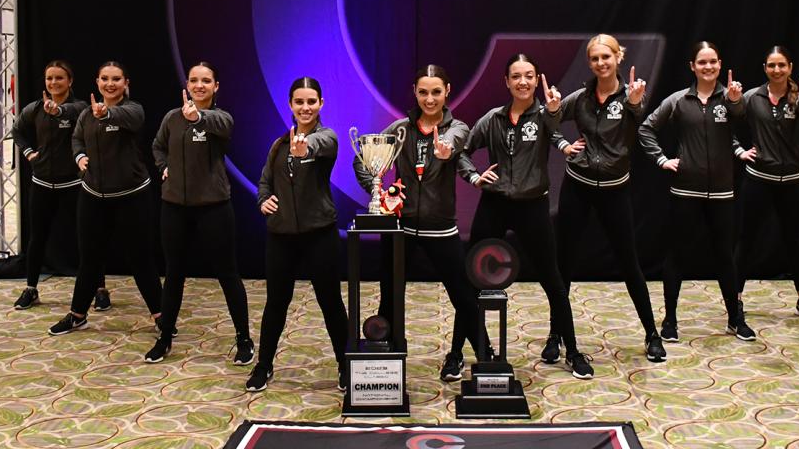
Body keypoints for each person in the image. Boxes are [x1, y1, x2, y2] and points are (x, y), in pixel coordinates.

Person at [459, 54, 595, 380]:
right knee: (469, 280)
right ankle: (458, 353)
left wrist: (558, 127)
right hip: (494, 205)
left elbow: (555, 129)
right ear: (506, 82)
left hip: (533, 206)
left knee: (553, 280)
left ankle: (572, 350)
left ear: (537, 80)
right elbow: (462, 151)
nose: (523, 82)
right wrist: (474, 177)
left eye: (529, 76)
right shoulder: (493, 119)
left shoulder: (544, 115)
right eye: (516, 76)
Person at [352, 65, 490, 382]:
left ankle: (487, 360)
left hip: (440, 228)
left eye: (436, 92)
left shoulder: (458, 128)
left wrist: (445, 151)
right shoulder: (399, 129)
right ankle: (386, 363)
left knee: (463, 297)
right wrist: (378, 191)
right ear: (415, 92)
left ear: (447, 92)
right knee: (390, 296)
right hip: (400, 229)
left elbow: (454, 141)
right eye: (424, 92)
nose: (430, 99)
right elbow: (362, 157)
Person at [550, 35, 663, 362]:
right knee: (564, 264)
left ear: (618, 57)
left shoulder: (631, 96)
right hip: (578, 185)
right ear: (590, 62)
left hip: (615, 190)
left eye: (606, 57)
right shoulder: (582, 97)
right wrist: (562, 141)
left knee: (629, 263)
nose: (601, 63)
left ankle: (652, 334)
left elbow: (637, 114)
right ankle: (555, 334)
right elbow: (548, 121)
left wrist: (635, 101)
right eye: (595, 58)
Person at [638, 41, 753, 343]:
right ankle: (670, 320)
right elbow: (645, 129)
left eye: (713, 61)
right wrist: (662, 159)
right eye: (702, 62)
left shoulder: (729, 98)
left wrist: (736, 101)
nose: (708, 67)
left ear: (720, 63)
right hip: (685, 191)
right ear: (692, 66)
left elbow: (741, 119)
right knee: (677, 255)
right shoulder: (677, 101)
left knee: (724, 257)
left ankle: (734, 319)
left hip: (722, 193)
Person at [245, 77, 350, 393]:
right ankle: (264, 366)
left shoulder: (327, 138)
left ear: (321, 104)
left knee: (330, 301)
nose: (305, 107)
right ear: (290, 105)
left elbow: (321, 147)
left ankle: (345, 366)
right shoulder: (278, 145)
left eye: (311, 102)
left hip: (320, 235)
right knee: (276, 302)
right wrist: (264, 200)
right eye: (299, 102)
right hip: (280, 237)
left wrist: (306, 147)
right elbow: (264, 183)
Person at [147, 62, 255, 364]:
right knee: (174, 274)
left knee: (227, 274)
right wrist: (164, 167)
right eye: (194, 80)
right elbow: (157, 147)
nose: (199, 85)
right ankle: (165, 337)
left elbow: (224, 127)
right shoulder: (171, 118)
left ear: (216, 86)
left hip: (213, 208)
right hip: (174, 208)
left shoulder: (220, 118)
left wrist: (199, 117)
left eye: (206, 81)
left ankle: (243, 339)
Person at [47, 62, 162, 335]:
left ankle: (161, 316)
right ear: (97, 82)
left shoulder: (133, 110)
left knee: (141, 259)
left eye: (116, 79)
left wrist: (107, 113)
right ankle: (77, 314)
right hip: (92, 197)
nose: (110, 84)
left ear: (126, 83)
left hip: (131, 196)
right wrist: (79, 156)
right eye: (105, 79)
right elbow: (77, 139)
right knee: (89, 259)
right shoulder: (87, 114)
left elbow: (129, 119)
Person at [733, 46, 799, 322]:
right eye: (771, 65)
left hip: (792, 181)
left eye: (781, 65)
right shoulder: (752, 97)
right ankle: (734, 300)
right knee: (745, 240)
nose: (777, 70)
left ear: (790, 67)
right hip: (758, 179)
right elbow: (724, 123)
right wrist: (739, 150)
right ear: (764, 68)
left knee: (794, 240)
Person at [11, 61, 88, 310]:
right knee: (37, 238)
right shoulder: (34, 109)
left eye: (59, 78)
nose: (53, 83)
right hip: (42, 183)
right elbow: (18, 131)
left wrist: (58, 112)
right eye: (49, 78)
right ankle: (31, 288)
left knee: (86, 239)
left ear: (70, 81)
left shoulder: (81, 108)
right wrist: (29, 153)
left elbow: (74, 113)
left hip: (74, 184)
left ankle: (98, 288)